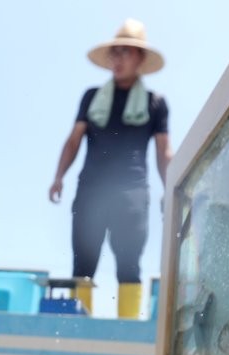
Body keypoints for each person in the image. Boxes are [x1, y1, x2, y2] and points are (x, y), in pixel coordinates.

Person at [49, 19, 172, 318]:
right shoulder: (92, 98)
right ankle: (77, 331)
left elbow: (163, 152)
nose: (117, 59)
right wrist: (58, 177)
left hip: (132, 193)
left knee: (129, 265)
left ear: (140, 59)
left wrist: (172, 189)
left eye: (125, 52)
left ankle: (127, 330)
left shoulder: (156, 104)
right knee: (83, 264)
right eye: (114, 53)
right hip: (91, 190)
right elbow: (74, 140)